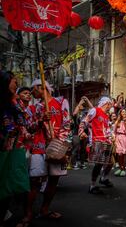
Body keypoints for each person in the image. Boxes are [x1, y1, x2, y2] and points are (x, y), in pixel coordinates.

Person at [24, 79, 71, 221]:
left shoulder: (62, 102)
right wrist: (40, 119)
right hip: (39, 147)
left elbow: (67, 124)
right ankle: (28, 214)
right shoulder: (36, 107)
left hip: (57, 146)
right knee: (35, 181)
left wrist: (57, 141)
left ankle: (45, 209)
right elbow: (30, 128)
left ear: (41, 87)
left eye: (33, 89)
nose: (32, 93)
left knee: (53, 180)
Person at [0, 71, 30, 226]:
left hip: (16, 149)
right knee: (2, 185)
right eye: (14, 81)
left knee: (17, 183)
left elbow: (25, 125)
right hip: (2, 150)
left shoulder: (15, 104)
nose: (16, 84)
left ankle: (23, 215)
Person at [78, 97, 114, 194]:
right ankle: (92, 186)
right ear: (107, 103)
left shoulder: (106, 116)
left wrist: (110, 137)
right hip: (96, 141)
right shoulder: (95, 110)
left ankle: (103, 178)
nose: (110, 107)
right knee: (98, 164)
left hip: (105, 142)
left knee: (109, 162)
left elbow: (106, 130)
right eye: (110, 104)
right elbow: (85, 121)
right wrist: (81, 132)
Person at [114, 109, 126, 177]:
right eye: (122, 112)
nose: (124, 113)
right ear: (120, 113)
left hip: (125, 138)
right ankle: (120, 167)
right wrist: (115, 138)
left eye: (125, 112)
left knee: (124, 154)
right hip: (118, 137)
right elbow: (114, 131)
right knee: (119, 154)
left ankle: (123, 169)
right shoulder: (117, 121)